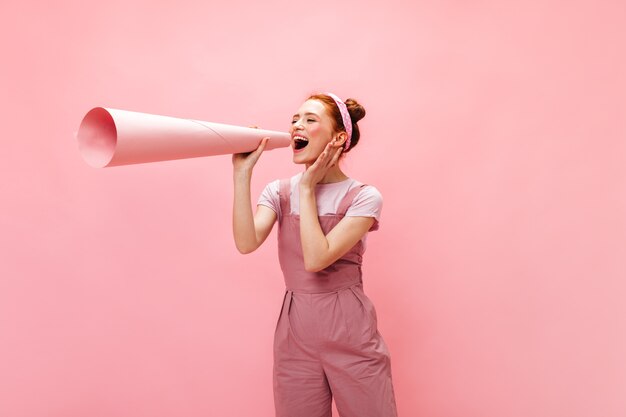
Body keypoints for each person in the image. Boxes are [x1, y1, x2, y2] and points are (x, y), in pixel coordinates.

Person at [232, 93, 398, 417]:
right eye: (295, 118)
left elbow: (316, 258)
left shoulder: (363, 197)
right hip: (295, 333)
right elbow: (246, 242)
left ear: (339, 138)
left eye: (310, 119)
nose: (297, 125)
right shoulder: (278, 192)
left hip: (350, 330)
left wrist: (307, 188)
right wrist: (242, 173)